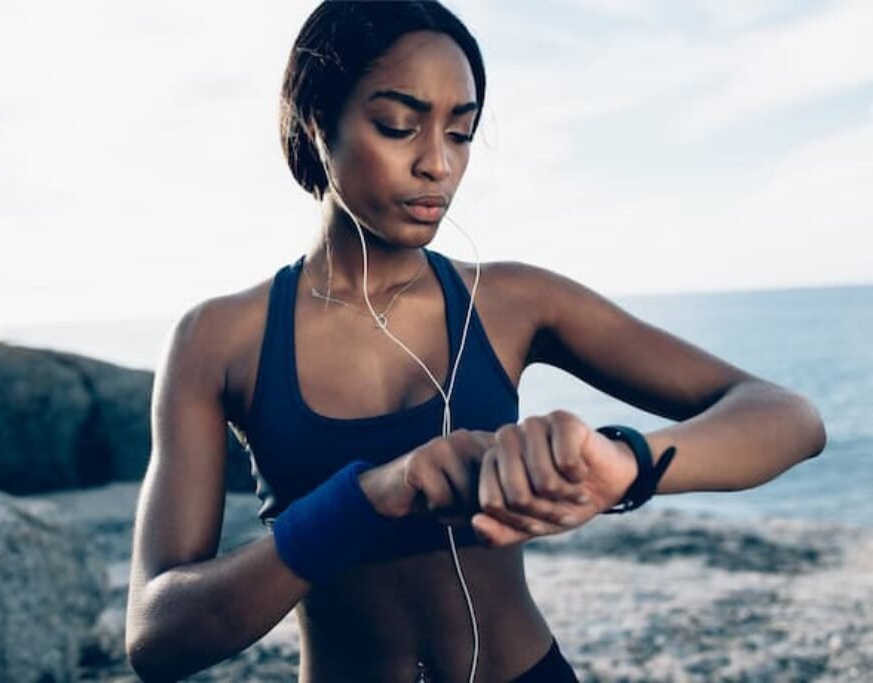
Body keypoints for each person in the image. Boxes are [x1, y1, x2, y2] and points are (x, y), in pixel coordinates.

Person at [124, 2, 827, 681]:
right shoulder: (219, 339)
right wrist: (371, 496)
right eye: (399, 126)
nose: (439, 164)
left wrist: (623, 463)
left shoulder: (515, 302)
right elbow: (157, 638)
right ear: (317, 121)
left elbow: (789, 418)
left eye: (460, 132)